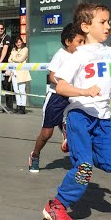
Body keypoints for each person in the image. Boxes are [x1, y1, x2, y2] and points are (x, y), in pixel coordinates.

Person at [42, 3, 111, 220]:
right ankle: (57, 205)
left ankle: (81, 150)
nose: (108, 26)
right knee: (84, 167)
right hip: (79, 115)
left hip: (103, 118)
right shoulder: (77, 56)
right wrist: (84, 92)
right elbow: (60, 87)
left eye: (109, 21)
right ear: (86, 26)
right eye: (103, 22)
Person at [28, 23, 84, 172]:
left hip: (72, 98)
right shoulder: (61, 55)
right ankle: (35, 154)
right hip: (56, 98)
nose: (82, 45)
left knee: (78, 127)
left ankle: (70, 139)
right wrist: (64, 84)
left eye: (84, 41)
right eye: (79, 41)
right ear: (68, 42)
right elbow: (51, 76)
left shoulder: (82, 56)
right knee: (46, 133)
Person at [7, 37, 32, 114]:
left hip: (22, 72)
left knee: (22, 90)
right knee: (16, 90)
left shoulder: (25, 49)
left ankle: (22, 107)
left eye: (20, 42)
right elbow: (9, 60)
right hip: (14, 72)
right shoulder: (13, 50)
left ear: (22, 42)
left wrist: (13, 59)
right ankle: (18, 106)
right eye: (17, 42)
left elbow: (21, 59)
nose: (18, 44)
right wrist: (14, 59)